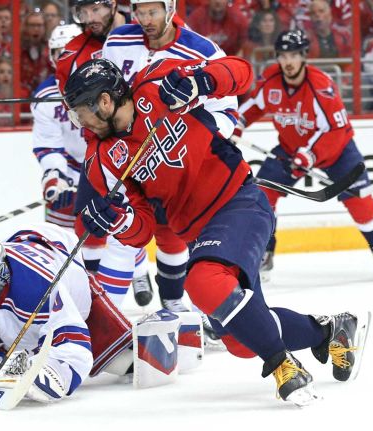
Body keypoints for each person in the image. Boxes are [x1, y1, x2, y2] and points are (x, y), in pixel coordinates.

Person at [64, 56, 370, 406]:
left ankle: (283, 364)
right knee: (240, 340)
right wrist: (119, 222)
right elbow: (143, 230)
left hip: (240, 202)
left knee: (202, 282)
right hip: (202, 238)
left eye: (81, 112)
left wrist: (201, 83)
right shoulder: (102, 157)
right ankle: (330, 330)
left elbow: (242, 72)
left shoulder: (156, 83)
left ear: (104, 101)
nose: (80, 123)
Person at [101, 0, 234, 316]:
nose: (145, 19)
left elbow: (227, 110)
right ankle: (103, 320)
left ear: (171, 8)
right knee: (120, 234)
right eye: (140, 12)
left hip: (179, 157)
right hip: (130, 157)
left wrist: (199, 141)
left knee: (177, 233)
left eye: (153, 12)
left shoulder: (202, 50)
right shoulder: (118, 41)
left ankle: (182, 301)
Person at [235, 30, 373, 278]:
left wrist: (309, 155)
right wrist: (234, 125)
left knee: (360, 201)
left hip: (338, 151)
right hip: (290, 152)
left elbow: (336, 129)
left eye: (293, 55)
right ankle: (266, 254)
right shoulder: (271, 80)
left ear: (303, 57)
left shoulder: (321, 86)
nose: (288, 62)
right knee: (263, 195)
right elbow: (253, 107)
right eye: (283, 56)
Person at [0, 223, 132, 402]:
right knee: (0, 333)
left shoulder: (39, 287)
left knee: (123, 360)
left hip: (66, 268)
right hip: (26, 243)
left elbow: (72, 338)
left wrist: (55, 372)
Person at [54, 1, 151, 310]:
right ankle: (98, 299)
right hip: (108, 151)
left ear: (112, 4)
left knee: (164, 227)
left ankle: (158, 284)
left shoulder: (145, 34)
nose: (89, 19)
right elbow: (82, 116)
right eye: (82, 13)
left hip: (153, 146)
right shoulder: (70, 55)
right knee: (88, 223)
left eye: (95, 10)